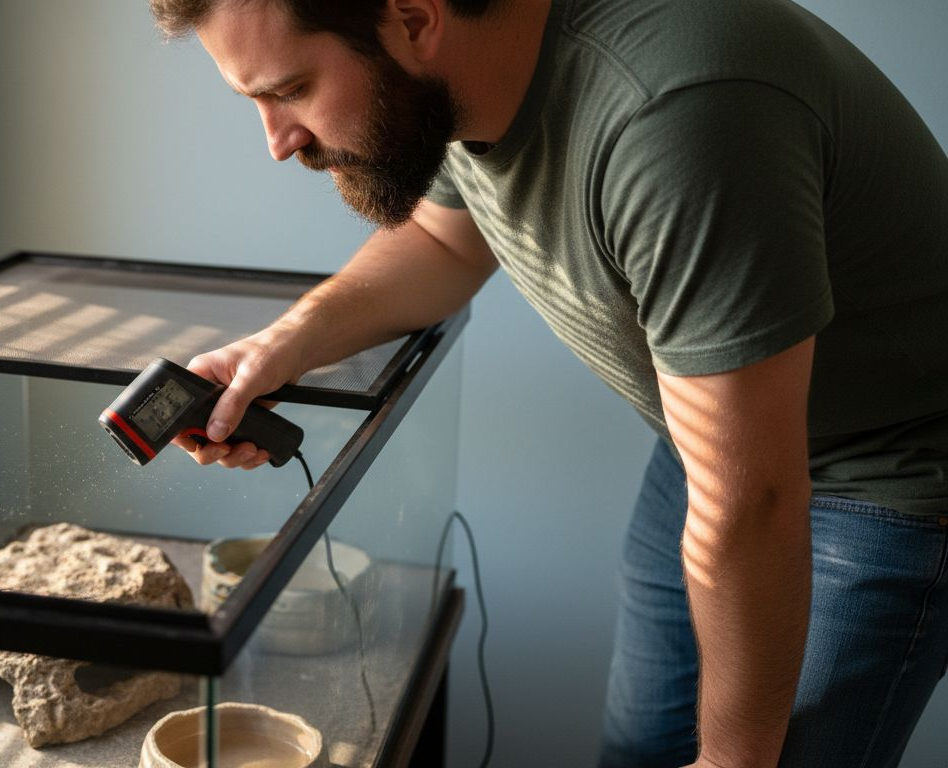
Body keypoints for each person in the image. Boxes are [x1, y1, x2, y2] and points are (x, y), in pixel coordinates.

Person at [148, 0, 948, 765]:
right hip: (717, 452)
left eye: (290, 90)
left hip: (884, 477)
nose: (279, 140)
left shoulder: (674, 119)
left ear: (415, 18)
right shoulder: (472, 68)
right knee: (643, 752)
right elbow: (442, 241)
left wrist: (736, 757)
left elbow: (755, 500)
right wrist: (281, 348)